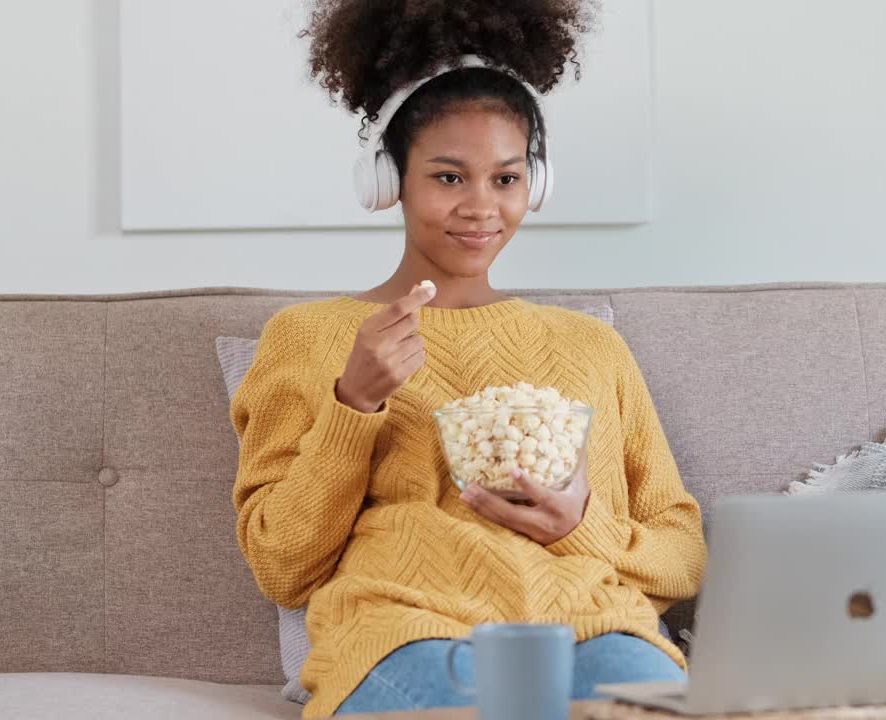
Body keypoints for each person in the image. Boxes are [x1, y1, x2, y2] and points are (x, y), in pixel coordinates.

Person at [229, 1, 707, 716]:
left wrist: (582, 526)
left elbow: (681, 551)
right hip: (404, 630)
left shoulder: (590, 346)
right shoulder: (311, 337)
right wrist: (352, 406)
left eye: (506, 179)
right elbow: (283, 566)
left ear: (533, 186)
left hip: (593, 625)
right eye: (450, 177)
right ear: (389, 180)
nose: (482, 207)